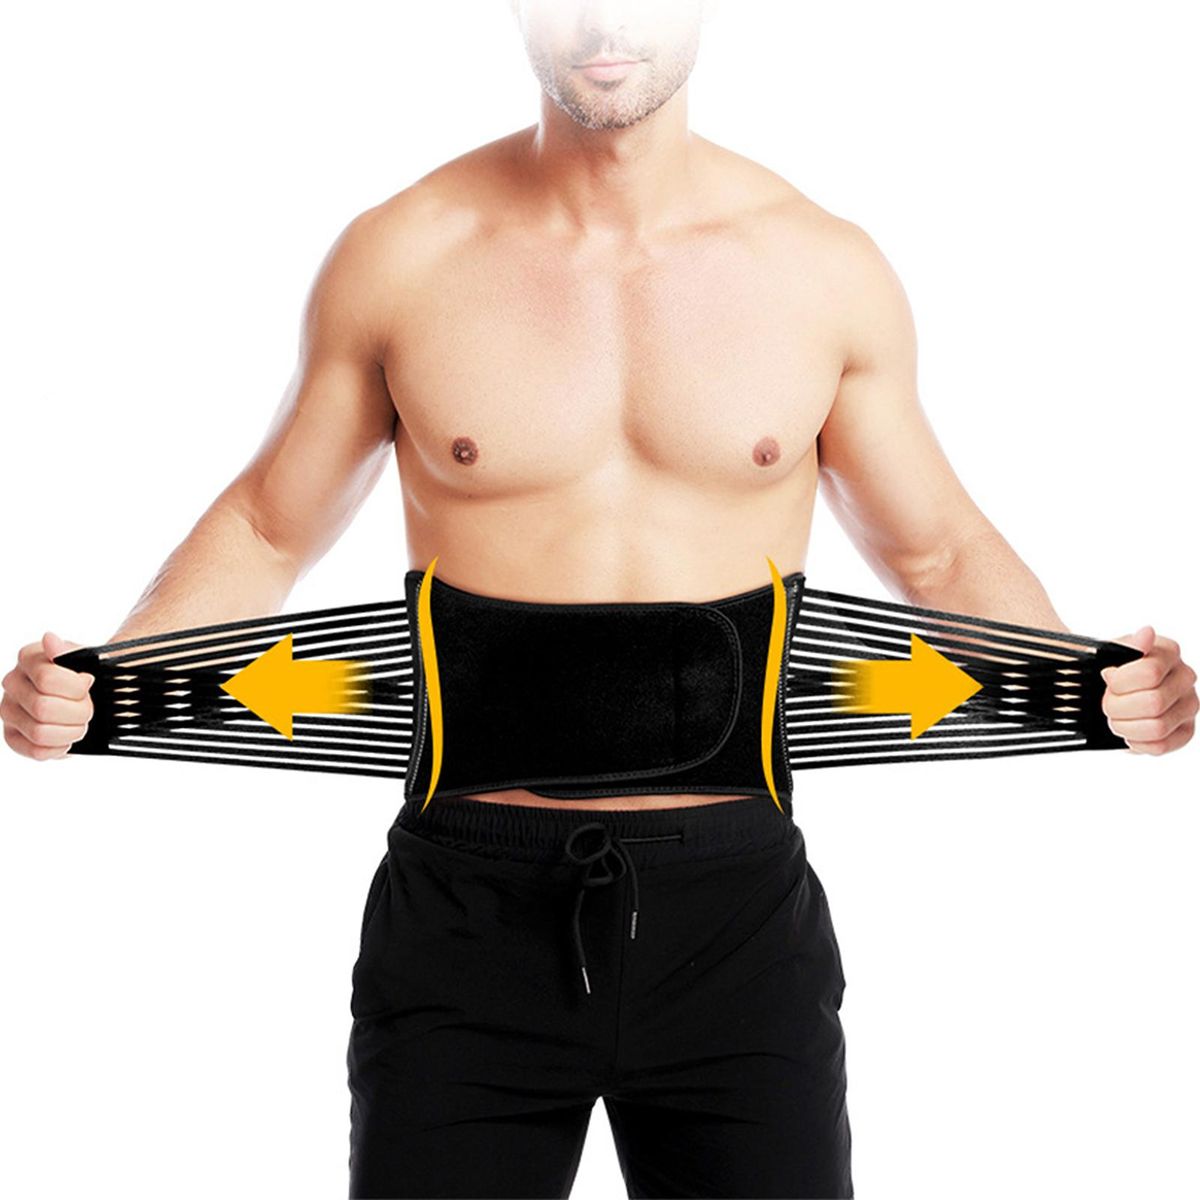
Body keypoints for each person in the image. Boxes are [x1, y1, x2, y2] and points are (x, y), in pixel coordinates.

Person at [3, 1, 1195, 1196]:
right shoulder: (405, 255)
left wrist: (1089, 686)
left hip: (735, 916)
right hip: (466, 911)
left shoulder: (820, 269)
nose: (604, 20)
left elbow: (936, 553)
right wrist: (110, 684)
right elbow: (271, 524)